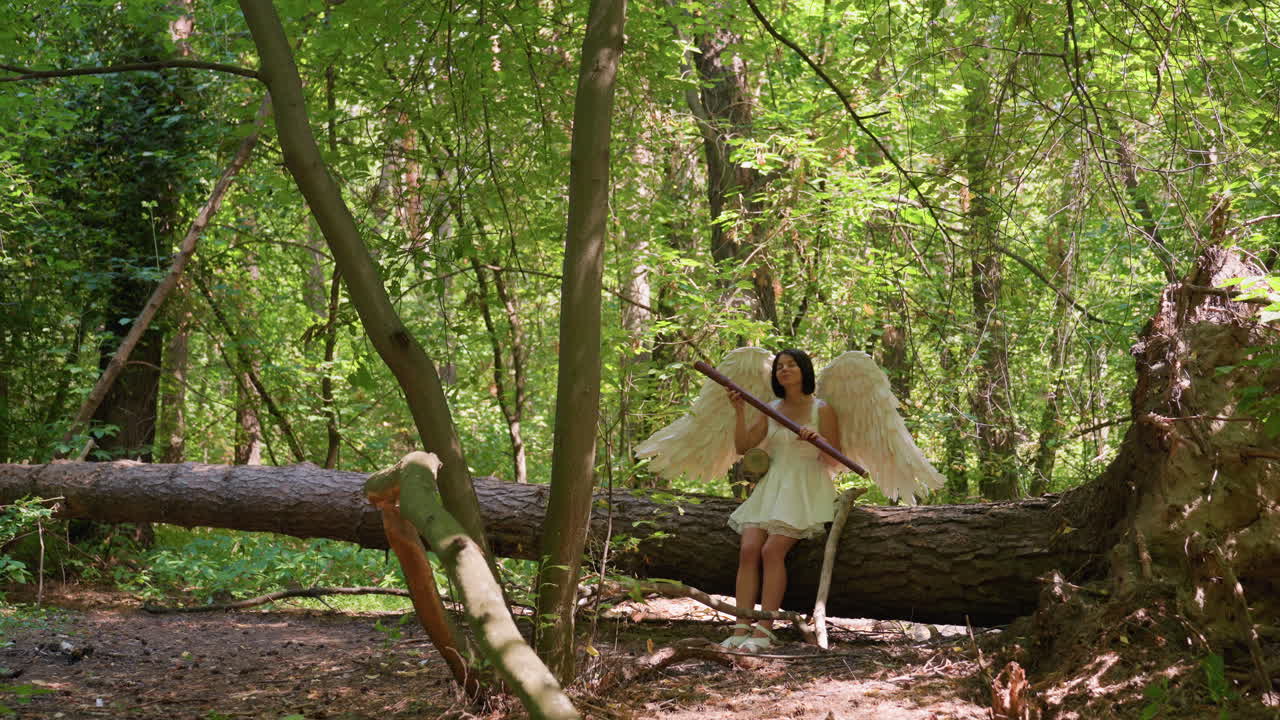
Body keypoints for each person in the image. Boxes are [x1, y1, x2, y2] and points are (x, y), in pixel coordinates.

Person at [721, 349, 843, 652]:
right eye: (779, 367)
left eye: (790, 365)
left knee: (771, 550)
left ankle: (765, 629)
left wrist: (818, 441)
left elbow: (834, 461)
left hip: (806, 486)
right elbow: (742, 446)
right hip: (773, 486)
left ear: (804, 370)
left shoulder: (822, 409)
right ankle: (741, 625)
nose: (784, 370)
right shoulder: (770, 408)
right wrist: (738, 411)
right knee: (749, 549)